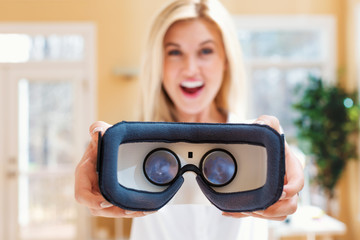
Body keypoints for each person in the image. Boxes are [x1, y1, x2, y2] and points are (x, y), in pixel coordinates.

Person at [75, 0, 304, 239]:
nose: (190, 68)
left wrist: (287, 176)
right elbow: (98, 166)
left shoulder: (259, 146)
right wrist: (98, 161)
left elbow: (295, 168)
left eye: (206, 51)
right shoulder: (128, 150)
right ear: (158, 64)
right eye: (174, 52)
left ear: (225, 60)